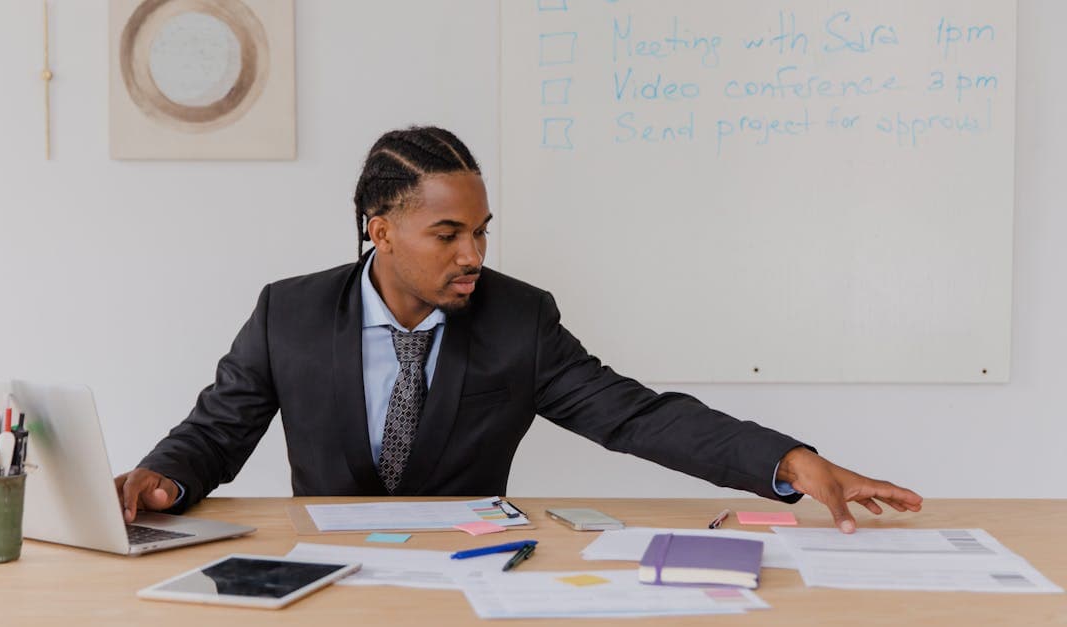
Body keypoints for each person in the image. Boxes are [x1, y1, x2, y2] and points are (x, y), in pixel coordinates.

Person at [116, 126, 922, 534]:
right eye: (449, 234)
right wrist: (165, 479)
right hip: (329, 574)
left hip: (473, 570)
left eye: (483, 230)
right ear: (379, 229)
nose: (474, 255)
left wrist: (786, 460)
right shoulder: (287, 313)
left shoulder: (518, 319)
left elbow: (636, 415)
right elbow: (216, 433)